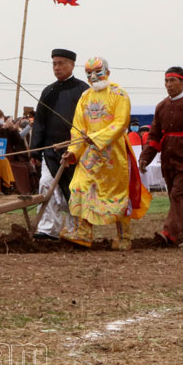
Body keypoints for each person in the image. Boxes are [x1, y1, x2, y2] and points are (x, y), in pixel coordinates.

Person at [61, 56, 151, 249]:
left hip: (114, 155)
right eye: (89, 73)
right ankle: (83, 233)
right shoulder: (85, 98)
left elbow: (121, 123)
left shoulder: (119, 94)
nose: (93, 77)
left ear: (107, 73)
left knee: (118, 194)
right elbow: (78, 128)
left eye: (97, 72)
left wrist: (97, 137)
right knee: (79, 186)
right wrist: (73, 151)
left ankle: (123, 237)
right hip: (89, 156)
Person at [139, 67, 183, 247]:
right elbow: (154, 136)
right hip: (168, 160)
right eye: (166, 81)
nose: (169, 85)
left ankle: (168, 233)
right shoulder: (161, 107)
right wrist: (145, 158)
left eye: (173, 81)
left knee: (178, 195)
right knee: (179, 200)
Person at [31, 48, 90, 241]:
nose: (57, 67)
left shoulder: (84, 90)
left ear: (72, 65)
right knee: (46, 185)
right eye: (54, 63)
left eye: (61, 63)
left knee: (73, 189)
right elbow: (39, 122)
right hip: (49, 150)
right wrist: (34, 150)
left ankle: (75, 229)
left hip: (76, 150)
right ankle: (48, 229)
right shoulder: (48, 91)